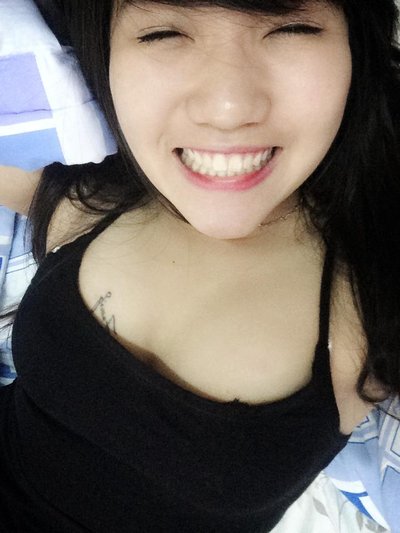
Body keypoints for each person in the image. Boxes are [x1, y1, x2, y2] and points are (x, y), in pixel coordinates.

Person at [0, 0, 399, 531]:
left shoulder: (373, 291)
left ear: (355, 45)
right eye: (163, 33)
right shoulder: (100, 203)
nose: (228, 108)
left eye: (292, 28)